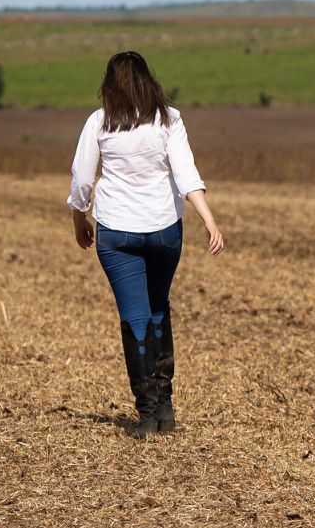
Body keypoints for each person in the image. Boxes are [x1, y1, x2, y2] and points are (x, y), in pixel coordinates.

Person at [67, 51, 224, 438]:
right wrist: (208, 219)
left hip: (117, 233)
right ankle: (165, 407)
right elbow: (186, 172)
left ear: (109, 84)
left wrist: (78, 218)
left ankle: (148, 415)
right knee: (157, 309)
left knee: (136, 317)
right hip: (164, 230)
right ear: (147, 80)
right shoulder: (168, 118)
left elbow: (83, 178)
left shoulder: (99, 121)